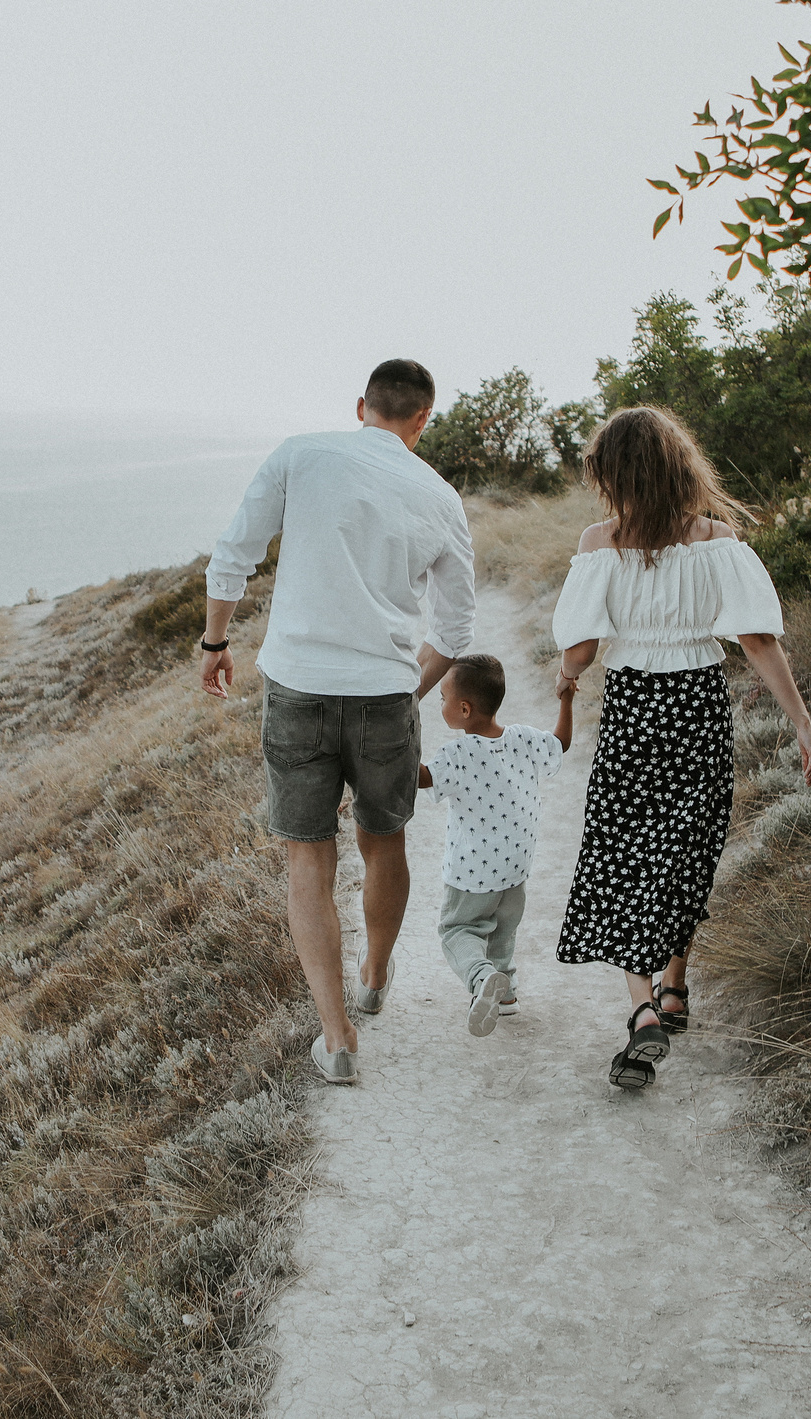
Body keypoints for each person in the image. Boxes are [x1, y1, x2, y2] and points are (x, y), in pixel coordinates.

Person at [200, 359, 476, 1085]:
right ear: (422, 419)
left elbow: (233, 555)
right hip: (385, 694)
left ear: (362, 406)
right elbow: (455, 629)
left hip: (298, 685)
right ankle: (375, 977)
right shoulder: (440, 496)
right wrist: (405, 691)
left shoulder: (301, 454)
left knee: (308, 859)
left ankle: (338, 1036)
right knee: (384, 843)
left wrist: (215, 642)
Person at [549, 405, 811, 1089]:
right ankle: (675, 987)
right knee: (687, 848)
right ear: (679, 466)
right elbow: (756, 639)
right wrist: (801, 721)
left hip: (634, 709)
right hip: (697, 705)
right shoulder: (716, 540)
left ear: (612, 474)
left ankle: (644, 1006)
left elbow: (581, 648)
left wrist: (567, 676)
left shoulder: (599, 543)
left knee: (625, 850)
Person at [420, 653, 570, 1038]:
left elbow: (420, 778)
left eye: (442, 699)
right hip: (515, 868)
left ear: (464, 709)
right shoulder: (522, 738)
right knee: (503, 929)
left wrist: (395, 736)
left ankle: (481, 977)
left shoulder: (457, 755)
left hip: (472, 872)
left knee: (457, 929)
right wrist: (566, 700)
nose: (440, 705)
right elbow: (561, 743)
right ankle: (506, 993)